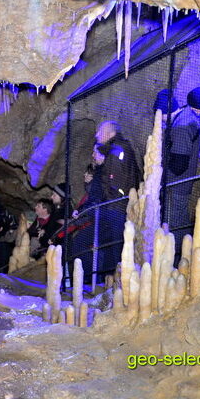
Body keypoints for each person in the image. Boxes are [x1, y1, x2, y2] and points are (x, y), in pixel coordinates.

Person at [72, 121, 141, 282]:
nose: (96, 134)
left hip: (116, 207)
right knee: (110, 246)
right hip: (111, 207)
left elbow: (115, 183)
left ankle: (118, 282)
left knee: (116, 247)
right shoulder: (113, 151)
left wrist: (111, 199)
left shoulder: (118, 151)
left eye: (100, 131)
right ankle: (108, 281)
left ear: (111, 133)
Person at [154, 89, 200, 254]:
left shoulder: (180, 128)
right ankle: (184, 257)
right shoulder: (187, 117)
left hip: (176, 186)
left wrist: (159, 181)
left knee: (172, 225)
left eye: (159, 116)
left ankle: (175, 261)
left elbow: (179, 164)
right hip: (182, 184)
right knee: (180, 221)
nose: (159, 121)